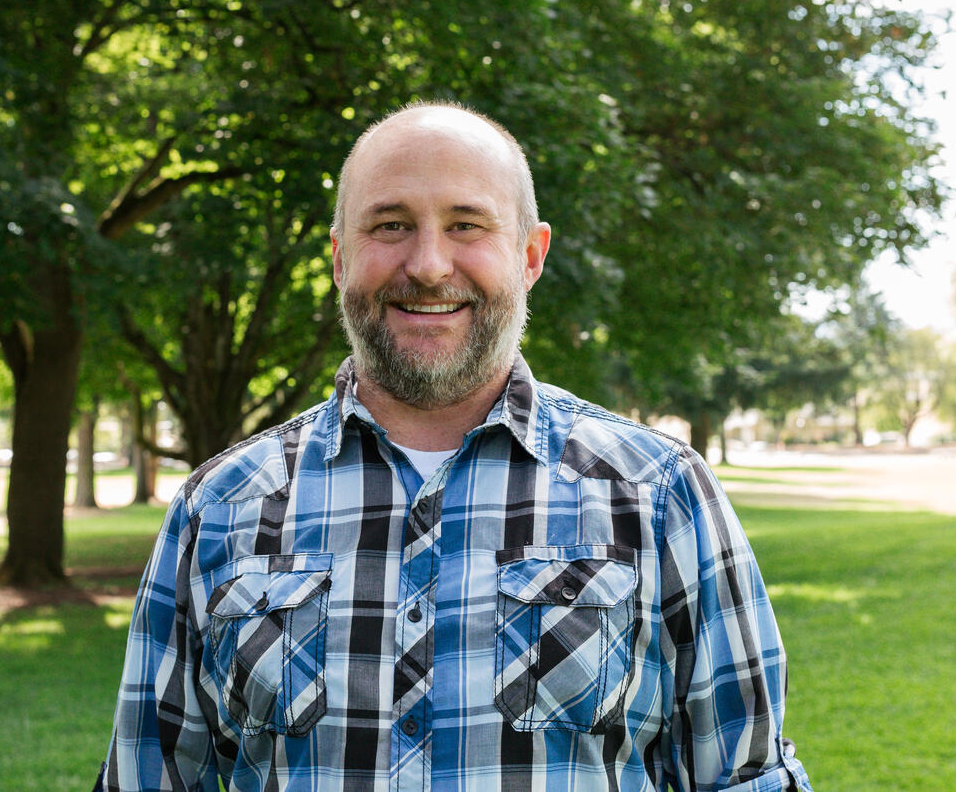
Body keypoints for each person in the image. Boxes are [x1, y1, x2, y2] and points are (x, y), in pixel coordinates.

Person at [97, 101, 812, 791]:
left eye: (466, 224)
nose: (430, 263)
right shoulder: (216, 509)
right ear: (341, 259)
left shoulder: (661, 495)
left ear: (531, 255)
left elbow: (744, 780)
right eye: (391, 225)